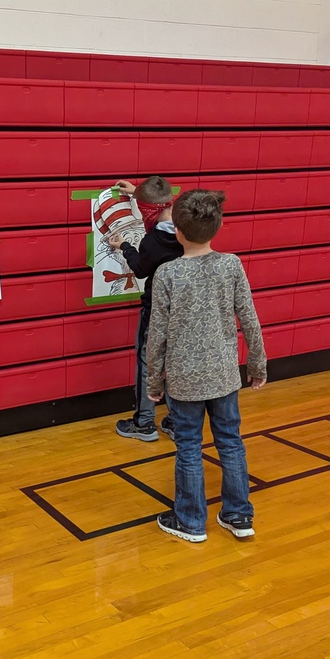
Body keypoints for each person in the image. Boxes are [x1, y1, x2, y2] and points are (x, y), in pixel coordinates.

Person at [145, 189, 266, 543]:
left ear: (178, 231)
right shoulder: (231, 265)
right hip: (224, 376)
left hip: (183, 381)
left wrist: (153, 381)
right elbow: (250, 319)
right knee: (230, 442)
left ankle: (190, 521)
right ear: (218, 225)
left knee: (188, 447)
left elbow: (157, 335)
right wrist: (257, 363)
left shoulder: (167, 274)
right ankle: (239, 515)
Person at [107, 175, 182, 442]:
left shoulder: (152, 242)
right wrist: (137, 193)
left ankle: (144, 423)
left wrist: (125, 247)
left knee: (147, 362)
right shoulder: (188, 227)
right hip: (183, 310)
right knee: (174, 363)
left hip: (156, 310)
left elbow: (140, 269)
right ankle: (177, 422)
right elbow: (161, 203)